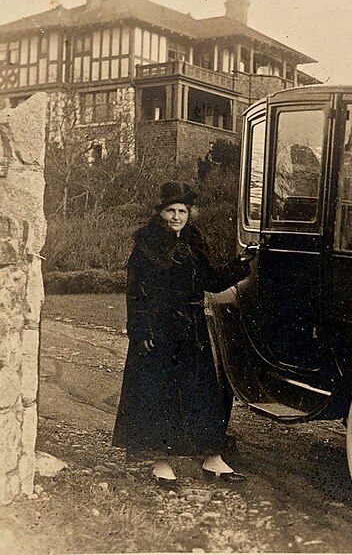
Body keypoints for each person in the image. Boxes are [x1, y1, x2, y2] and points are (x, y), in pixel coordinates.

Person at [112, 181, 252, 485]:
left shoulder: (193, 244)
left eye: (182, 211)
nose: (177, 216)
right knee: (159, 393)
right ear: (160, 213)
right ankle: (160, 462)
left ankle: (212, 459)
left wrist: (243, 266)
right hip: (158, 330)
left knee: (201, 392)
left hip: (191, 330)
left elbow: (212, 281)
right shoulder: (146, 247)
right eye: (171, 210)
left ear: (189, 213)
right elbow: (136, 293)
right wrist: (141, 331)